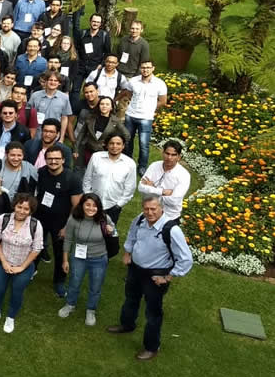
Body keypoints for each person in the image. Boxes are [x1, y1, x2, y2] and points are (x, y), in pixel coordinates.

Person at [107, 195, 193, 360]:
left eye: (153, 209)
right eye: (146, 209)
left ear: (162, 209)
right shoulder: (140, 219)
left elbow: (186, 259)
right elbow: (132, 235)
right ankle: (127, 325)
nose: (149, 212)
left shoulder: (171, 229)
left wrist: (168, 277)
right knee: (131, 299)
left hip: (156, 276)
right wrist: (127, 253)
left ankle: (152, 347)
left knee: (153, 313)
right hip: (135, 269)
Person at [0, 193, 44, 333]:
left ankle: (10, 317)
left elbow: (37, 248)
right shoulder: (3, 218)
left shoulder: (35, 225)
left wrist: (22, 267)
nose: (22, 211)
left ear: (31, 211)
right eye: (19, 207)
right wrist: (3, 262)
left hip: (24, 265)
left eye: (26, 209)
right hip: (1, 262)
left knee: (17, 291)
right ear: (14, 205)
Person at [58, 193, 116, 326]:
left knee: (95, 286)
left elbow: (114, 232)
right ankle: (70, 304)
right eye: (88, 205)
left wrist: (111, 231)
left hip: (99, 258)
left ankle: (91, 310)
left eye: (94, 206)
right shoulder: (74, 218)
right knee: (74, 282)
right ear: (82, 205)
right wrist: (65, 260)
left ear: (99, 207)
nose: (91, 208)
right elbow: (68, 239)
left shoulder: (104, 218)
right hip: (78, 257)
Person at [34, 145, 83, 296]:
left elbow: (76, 206)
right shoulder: (41, 173)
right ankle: (30, 270)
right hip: (41, 218)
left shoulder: (72, 178)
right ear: (46, 160)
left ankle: (59, 281)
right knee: (35, 246)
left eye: (57, 159)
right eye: (50, 159)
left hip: (61, 222)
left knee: (60, 252)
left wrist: (67, 227)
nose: (53, 161)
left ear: (63, 160)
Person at [122, 60, 167, 176]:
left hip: (146, 118)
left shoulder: (159, 83)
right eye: (143, 67)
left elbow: (163, 101)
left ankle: (142, 167)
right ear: (140, 69)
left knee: (144, 144)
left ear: (153, 68)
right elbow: (128, 93)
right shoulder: (133, 81)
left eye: (148, 67)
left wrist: (150, 109)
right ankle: (127, 164)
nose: (145, 70)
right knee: (127, 141)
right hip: (131, 115)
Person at [82, 132, 136, 224]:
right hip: (93, 204)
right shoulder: (96, 157)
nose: (114, 146)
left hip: (113, 207)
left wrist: (119, 205)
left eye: (118, 144)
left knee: (107, 233)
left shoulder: (130, 164)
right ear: (106, 145)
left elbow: (130, 188)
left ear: (123, 146)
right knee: (87, 230)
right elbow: (87, 179)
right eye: (111, 143)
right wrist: (88, 196)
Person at [137, 140, 190, 222]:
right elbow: (141, 187)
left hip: (169, 217)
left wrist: (152, 189)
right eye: (167, 153)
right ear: (162, 153)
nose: (169, 157)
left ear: (179, 157)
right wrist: (163, 192)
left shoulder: (184, 175)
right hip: (149, 213)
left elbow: (174, 201)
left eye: (173, 155)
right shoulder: (154, 166)